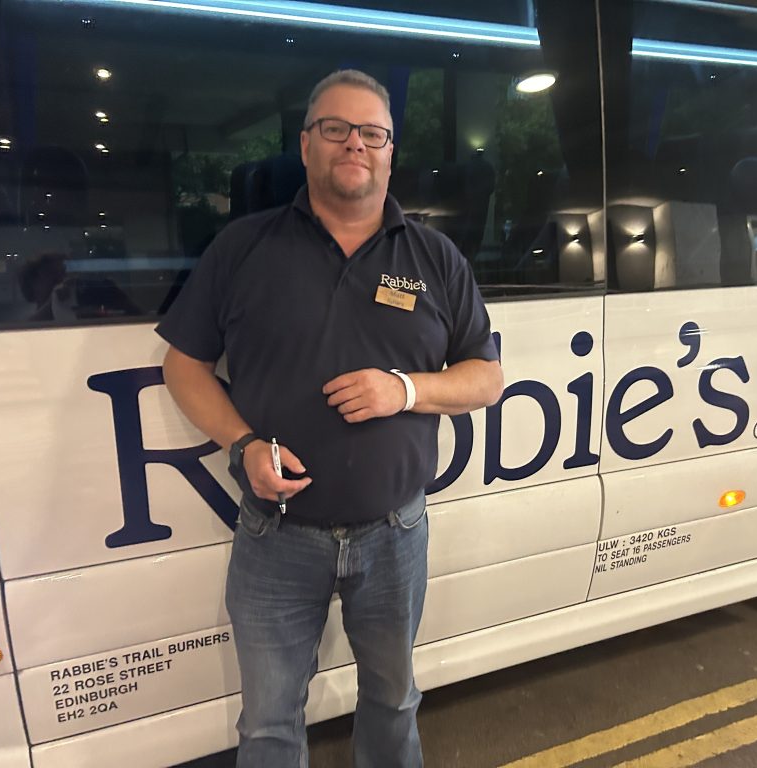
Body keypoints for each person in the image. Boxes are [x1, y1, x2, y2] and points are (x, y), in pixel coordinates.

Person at [156, 69, 504, 768]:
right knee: (269, 722)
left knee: (393, 700)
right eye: (337, 130)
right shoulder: (244, 249)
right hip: (275, 539)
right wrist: (244, 442)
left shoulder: (433, 257)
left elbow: (487, 378)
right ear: (308, 146)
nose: (356, 145)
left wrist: (402, 391)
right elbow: (183, 365)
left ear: (389, 154)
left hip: (395, 535)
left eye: (372, 133)